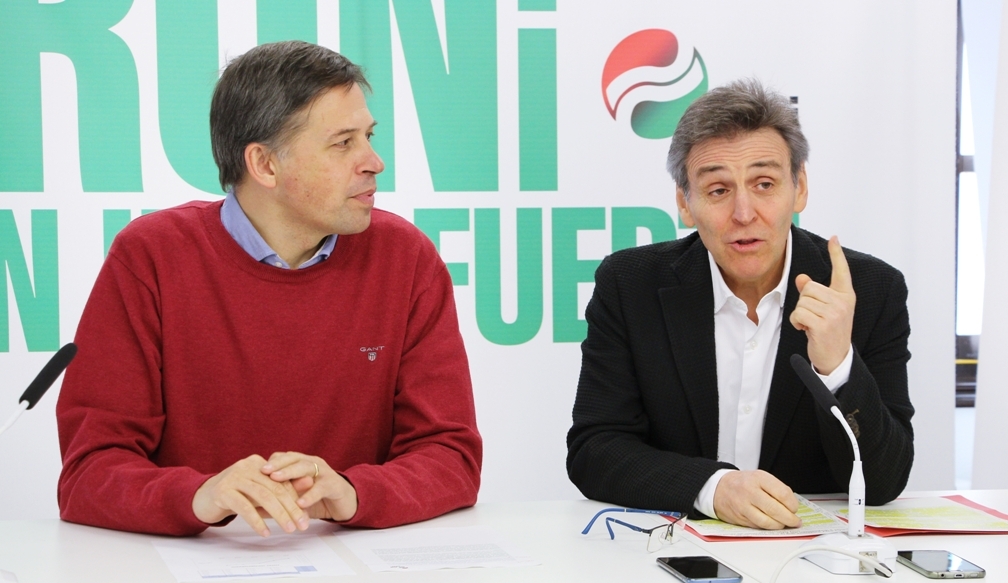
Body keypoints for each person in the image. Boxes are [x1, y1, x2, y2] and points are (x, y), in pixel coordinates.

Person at [57, 41, 482, 537]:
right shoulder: (150, 257)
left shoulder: (406, 258)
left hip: (357, 568)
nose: (374, 162)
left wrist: (352, 492)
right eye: (343, 143)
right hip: (190, 570)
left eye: (368, 136)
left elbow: (450, 457)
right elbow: (89, 472)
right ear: (264, 165)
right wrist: (200, 495)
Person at [567, 79, 913, 530]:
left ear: (799, 188)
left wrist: (837, 367)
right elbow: (595, 450)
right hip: (673, 548)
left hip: (814, 552)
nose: (744, 213)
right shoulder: (630, 285)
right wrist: (713, 488)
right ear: (685, 203)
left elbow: (884, 481)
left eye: (764, 184)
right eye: (718, 190)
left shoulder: (871, 290)